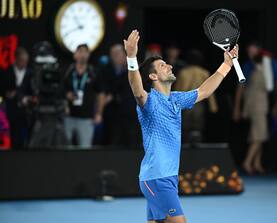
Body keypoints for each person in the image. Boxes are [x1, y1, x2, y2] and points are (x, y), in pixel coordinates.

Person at [124, 30, 238, 223]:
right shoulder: (149, 101)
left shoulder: (177, 99)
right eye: (162, 65)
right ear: (152, 76)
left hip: (168, 178)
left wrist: (227, 64)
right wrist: (131, 57)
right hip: (157, 179)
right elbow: (136, 88)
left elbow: (204, 91)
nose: (169, 65)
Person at [99, 44, 141, 146]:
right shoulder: (107, 71)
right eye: (113, 54)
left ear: (124, 54)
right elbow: (107, 92)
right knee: (114, 142)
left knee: (133, 142)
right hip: (115, 116)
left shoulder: (135, 69)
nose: (116, 57)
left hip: (134, 114)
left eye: (118, 53)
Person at [64, 44, 105, 147]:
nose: (82, 54)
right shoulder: (67, 71)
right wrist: (66, 96)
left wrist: (99, 113)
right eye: (80, 51)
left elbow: (101, 94)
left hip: (86, 118)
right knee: (65, 148)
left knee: (85, 148)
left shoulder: (94, 72)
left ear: (88, 55)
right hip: (68, 116)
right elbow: (60, 91)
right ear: (75, 54)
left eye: (85, 52)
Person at [174, 49, 218, 143]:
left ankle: (186, 147)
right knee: (198, 127)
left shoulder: (183, 72)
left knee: (185, 128)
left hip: (185, 103)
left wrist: (174, 104)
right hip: (198, 102)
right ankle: (197, 145)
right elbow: (210, 90)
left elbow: (177, 90)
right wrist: (213, 106)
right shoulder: (204, 73)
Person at [2, 47, 33, 149]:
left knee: (29, 135)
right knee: (15, 136)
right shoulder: (7, 72)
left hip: (27, 111)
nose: (24, 64)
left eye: (26, 61)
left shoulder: (31, 73)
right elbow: (2, 88)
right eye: (22, 61)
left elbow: (33, 90)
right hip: (12, 110)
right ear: (16, 59)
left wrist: (29, 98)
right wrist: (7, 94)